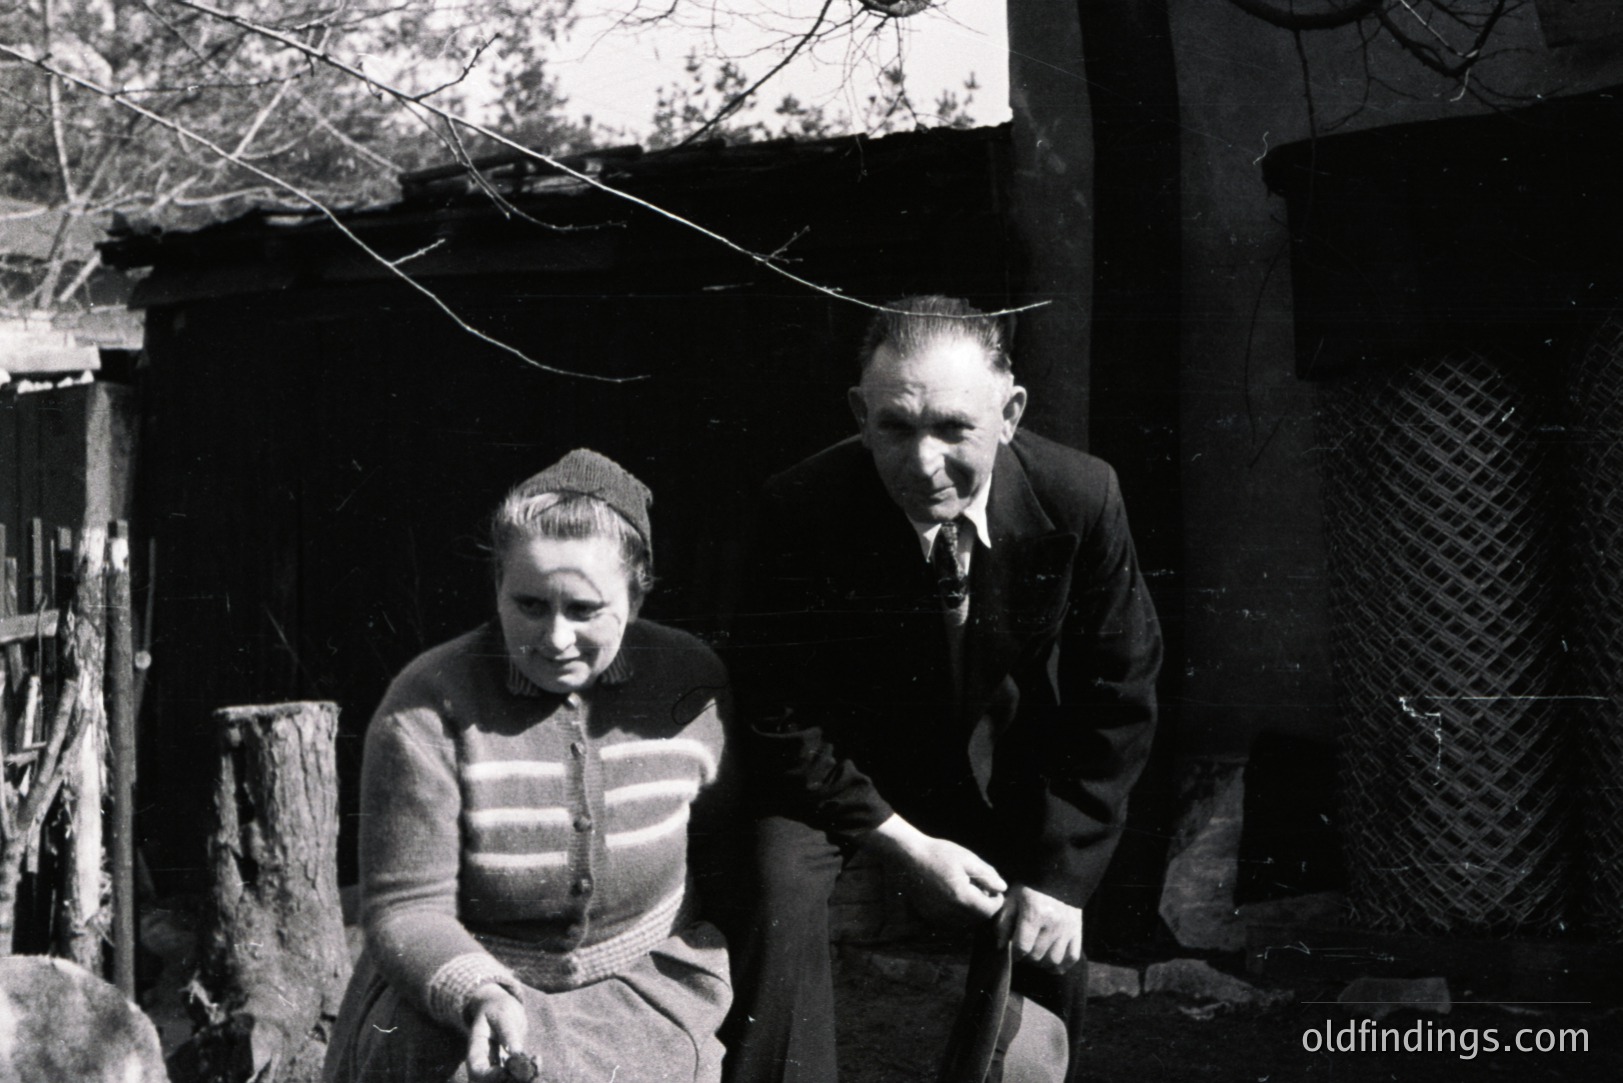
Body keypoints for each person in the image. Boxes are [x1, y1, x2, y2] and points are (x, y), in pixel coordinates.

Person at [723, 296, 1162, 1083]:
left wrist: (1060, 881)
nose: (923, 463)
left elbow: (1118, 690)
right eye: (895, 426)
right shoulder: (798, 508)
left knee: (1047, 930)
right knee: (774, 881)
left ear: (1010, 412)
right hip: (839, 772)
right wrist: (902, 841)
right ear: (860, 415)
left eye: (954, 428)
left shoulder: (1080, 496)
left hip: (996, 769)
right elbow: (774, 710)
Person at [325, 449, 737, 1083]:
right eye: (530, 605)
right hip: (460, 995)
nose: (556, 638)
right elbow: (405, 908)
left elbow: (729, 836)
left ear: (637, 592)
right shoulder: (428, 704)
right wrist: (480, 992)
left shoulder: (691, 686)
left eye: (584, 610)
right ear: (496, 587)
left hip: (642, 995)